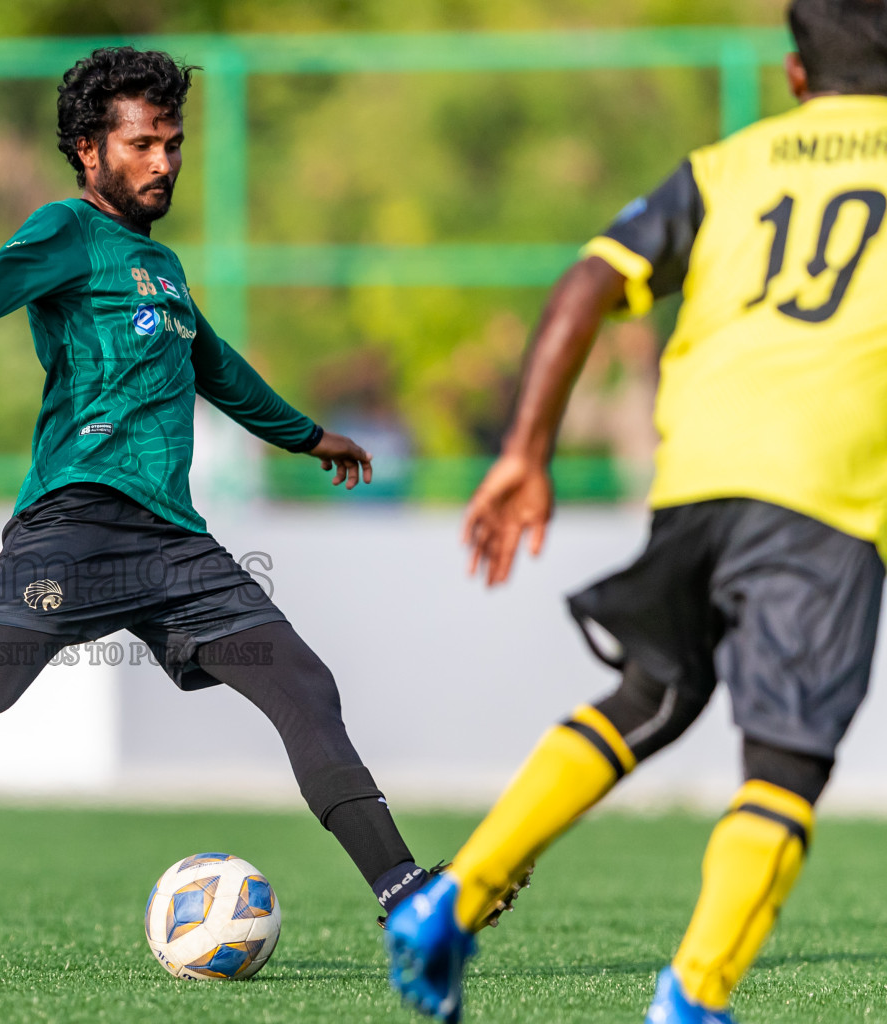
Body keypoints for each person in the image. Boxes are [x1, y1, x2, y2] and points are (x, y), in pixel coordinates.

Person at [0, 47, 516, 933]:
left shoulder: (161, 269)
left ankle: (407, 894)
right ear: (90, 151)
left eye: (172, 143)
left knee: (300, 681)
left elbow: (217, 367)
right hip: (78, 522)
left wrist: (307, 435)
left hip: (174, 546)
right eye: (142, 144)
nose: (163, 161)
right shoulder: (70, 231)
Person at [386, 3, 887, 1022]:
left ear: (795, 76)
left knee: (654, 690)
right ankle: (691, 1000)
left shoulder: (726, 166)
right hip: (824, 488)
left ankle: (454, 895)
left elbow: (585, 283)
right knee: (785, 762)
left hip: (699, 468)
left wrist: (525, 451)